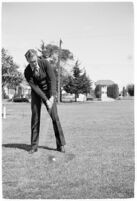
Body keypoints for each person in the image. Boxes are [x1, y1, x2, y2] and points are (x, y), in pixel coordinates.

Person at [24, 49, 66, 154]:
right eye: (31, 62)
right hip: (36, 93)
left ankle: (60, 145)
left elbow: (52, 79)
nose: (33, 63)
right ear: (28, 61)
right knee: (35, 117)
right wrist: (45, 100)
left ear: (37, 57)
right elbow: (35, 87)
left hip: (49, 90)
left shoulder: (45, 63)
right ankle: (34, 146)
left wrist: (52, 97)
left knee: (55, 117)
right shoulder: (27, 71)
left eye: (34, 61)